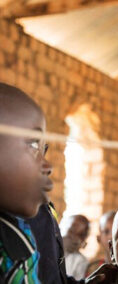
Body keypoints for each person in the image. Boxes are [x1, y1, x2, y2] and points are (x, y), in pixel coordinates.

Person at [0, 82, 53, 283]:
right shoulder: (11, 247)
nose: (47, 165)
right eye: (32, 145)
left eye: (43, 149)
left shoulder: (18, 228)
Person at [60, 214, 91, 280]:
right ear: (61, 227)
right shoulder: (48, 248)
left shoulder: (81, 261)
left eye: (80, 235)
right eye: (71, 231)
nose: (74, 237)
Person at [86, 211, 116, 275]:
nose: (111, 236)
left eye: (115, 231)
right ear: (98, 238)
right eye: (106, 232)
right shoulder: (92, 269)